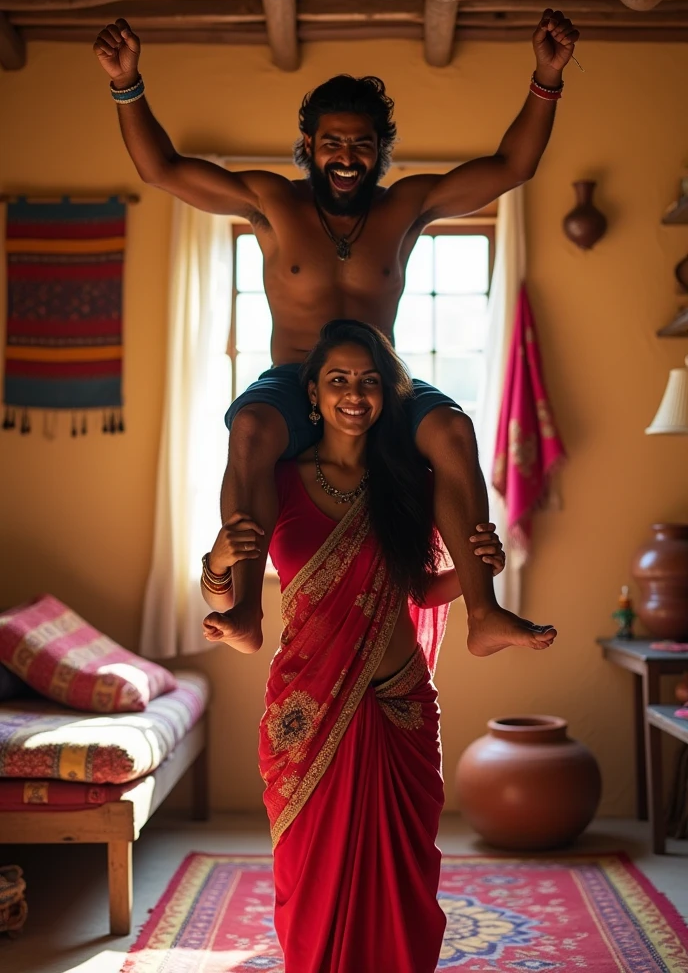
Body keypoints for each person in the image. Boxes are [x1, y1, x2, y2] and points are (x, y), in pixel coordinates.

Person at [93, 9, 578, 655]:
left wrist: (546, 75)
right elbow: (162, 170)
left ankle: (484, 613)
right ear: (308, 145)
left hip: (381, 378)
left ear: (380, 150)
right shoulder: (272, 204)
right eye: (332, 142)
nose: (346, 157)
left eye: (362, 144)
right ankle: (243, 609)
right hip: (294, 379)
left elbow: (513, 165)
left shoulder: (405, 207)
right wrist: (127, 82)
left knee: (455, 430)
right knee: (249, 428)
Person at [200, 320, 556, 973]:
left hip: (400, 705)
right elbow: (226, 598)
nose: (353, 394)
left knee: (406, 881)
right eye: (337, 381)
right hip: (308, 711)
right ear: (311, 396)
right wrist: (217, 568)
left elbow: (417, 587)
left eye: (368, 382)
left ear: (387, 396)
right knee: (310, 884)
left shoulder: (411, 483)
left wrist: (478, 570)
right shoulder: (278, 480)